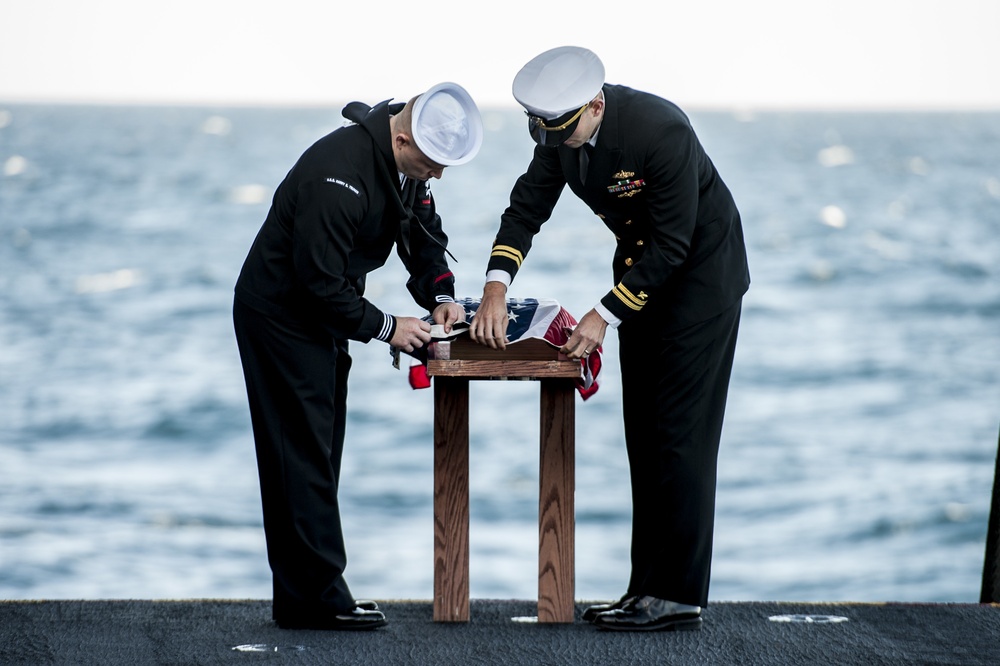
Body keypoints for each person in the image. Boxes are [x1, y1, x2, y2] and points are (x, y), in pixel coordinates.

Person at [469, 46, 750, 631]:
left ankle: (677, 596)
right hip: (640, 282)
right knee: (643, 436)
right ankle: (643, 589)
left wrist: (602, 314)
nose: (551, 140)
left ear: (595, 106)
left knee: (680, 438)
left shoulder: (660, 130)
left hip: (700, 283)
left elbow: (674, 244)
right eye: (541, 130)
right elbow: (526, 208)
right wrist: (496, 284)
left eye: (561, 128)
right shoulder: (559, 138)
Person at [233, 82, 482, 630]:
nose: (437, 176)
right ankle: (319, 597)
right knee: (299, 452)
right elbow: (318, 280)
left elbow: (422, 234)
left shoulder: (405, 165)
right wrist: (388, 327)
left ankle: (304, 599)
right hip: (281, 314)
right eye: (432, 165)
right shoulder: (337, 172)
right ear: (401, 137)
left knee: (319, 451)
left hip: (321, 313)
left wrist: (441, 297)